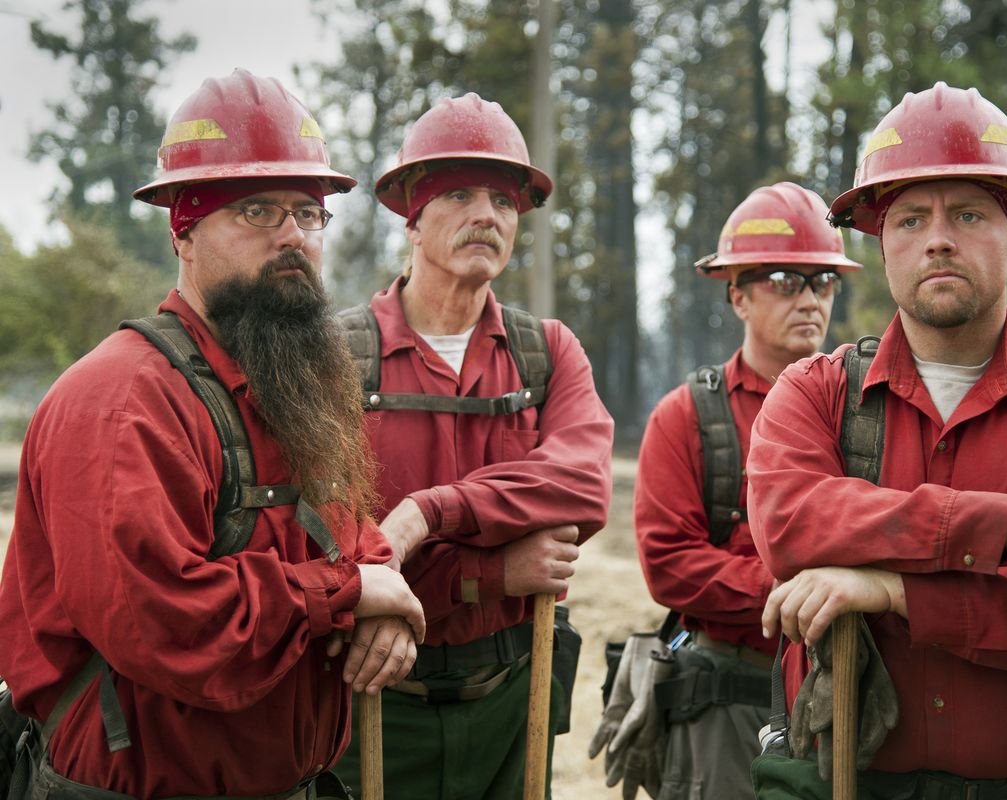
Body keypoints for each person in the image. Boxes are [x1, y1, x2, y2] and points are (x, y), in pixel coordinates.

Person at [0, 69, 425, 800]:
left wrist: (383, 615)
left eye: (309, 212)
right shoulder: (124, 400)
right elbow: (166, 622)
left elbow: (356, 543)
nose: (293, 235)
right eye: (258, 211)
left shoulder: (294, 382)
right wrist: (348, 593)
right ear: (184, 229)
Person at [748, 81, 1007, 799]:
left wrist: (885, 588)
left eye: (968, 213)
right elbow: (793, 525)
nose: (937, 237)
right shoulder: (814, 393)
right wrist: (1000, 525)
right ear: (882, 249)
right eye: (909, 219)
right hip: (853, 781)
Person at [333, 93, 614, 800]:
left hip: (514, 700)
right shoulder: (336, 359)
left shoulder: (546, 352)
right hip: (370, 702)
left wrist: (427, 514)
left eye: (503, 200)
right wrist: (487, 575)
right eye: (458, 194)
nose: (486, 215)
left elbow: (582, 486)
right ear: (412, 216)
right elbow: (319, 551)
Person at [628, 183, 861, 800]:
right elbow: (669, 565)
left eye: (823, 281)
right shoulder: (686, 416)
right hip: (729, 696)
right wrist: (792, 594)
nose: (809, 299)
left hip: (846, 691)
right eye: (785, 279)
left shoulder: (865, 410)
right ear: (737, 295)